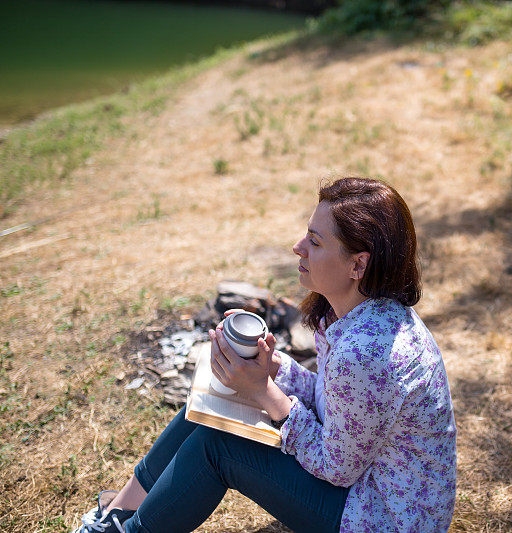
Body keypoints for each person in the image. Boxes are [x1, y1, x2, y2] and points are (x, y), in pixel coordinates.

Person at [73, 177, 458, 533]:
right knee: (216, 398)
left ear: (358, 264)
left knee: (219, 446)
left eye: (315, 242)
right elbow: (336, 404)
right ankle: (116, 515)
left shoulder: (366, 351)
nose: (298, 247)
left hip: (382, 517)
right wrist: (272, 368)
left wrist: (264, 393)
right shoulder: (359, 313)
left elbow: (336, 468)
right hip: (366, 485)